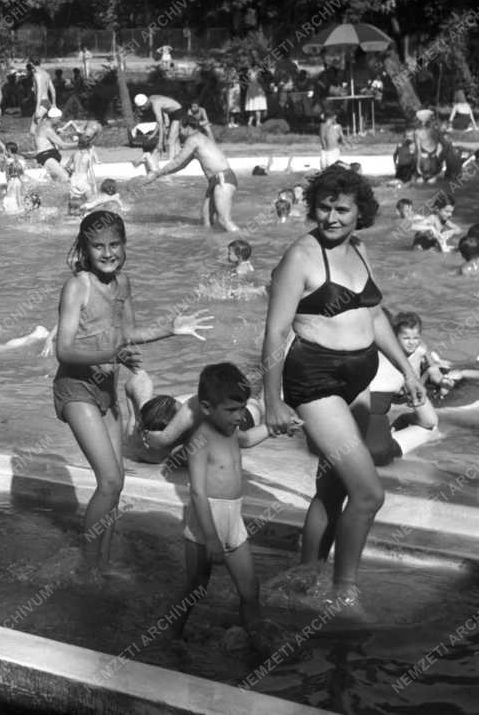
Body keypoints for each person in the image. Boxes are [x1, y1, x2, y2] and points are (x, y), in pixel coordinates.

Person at [262, 165, 427, 618]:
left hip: (355, 379)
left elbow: (374, 317)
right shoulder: (301, 256)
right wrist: (273, 399)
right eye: (324, 207)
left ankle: (304, 577)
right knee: (369, 493)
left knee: (334, 489)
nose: (332, 217)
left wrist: (407, 370)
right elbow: (275, 333)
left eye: (342, 209)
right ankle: (344, 592)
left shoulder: (359, 248)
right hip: (314, 381)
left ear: (360, 213)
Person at [52, 209, 211, 576]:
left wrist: (171, 328)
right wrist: (111, 354)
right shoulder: (78, 286)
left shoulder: (122, 284)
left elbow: (128, 334)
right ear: (84, 248)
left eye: (114, 244)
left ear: (124, 245)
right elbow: (64, 349)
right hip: (75, 388)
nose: (107, 253)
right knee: (108, 480)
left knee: (117, 483)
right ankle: (88, 570)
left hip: (106, 389)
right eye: (97, 246)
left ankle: (102, 565)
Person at [170, 363, 274, 643]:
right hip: (207, 524)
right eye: (231, 410)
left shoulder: (231, 432)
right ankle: (172, 635)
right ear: (206, 407)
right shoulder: (200, 441)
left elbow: (248, 439)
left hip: (234, 520)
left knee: (251, 589)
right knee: (196, 587)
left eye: (242, 409)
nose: (239, 417)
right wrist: (212, 538)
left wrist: (274, 428)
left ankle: (255, 639)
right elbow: (197, 493)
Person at [137, 118, 240, 233]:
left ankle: (244, 243)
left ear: (189, 128)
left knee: (224, 220)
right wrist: (158, 175)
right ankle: (214, 247)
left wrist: (156, 174)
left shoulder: (193, 139)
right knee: (206, 220)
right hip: (216, 181)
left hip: (222, 178)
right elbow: (181, 165)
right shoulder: (199, 139)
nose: (179, 132)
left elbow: (177, 162)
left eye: (180, 129)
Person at [65, 135, 98, 215]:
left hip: (73, 179)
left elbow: (67, 166)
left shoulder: (74, 154)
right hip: (83, 179)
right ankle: (87, 216)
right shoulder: (88, 156)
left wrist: (71, 173)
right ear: (89, 146)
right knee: (92, 202)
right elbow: (91, 172)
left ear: (79, 144)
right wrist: (94, 186)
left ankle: (70, 217)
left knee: (71, 204)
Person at [32, 113, 69, 183]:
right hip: (48, 158)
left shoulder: (41, 127)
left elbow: (34, 132)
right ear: (53, 118)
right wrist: (79, 144)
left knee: (56, 181)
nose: (59, 121)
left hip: (45, 157)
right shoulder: (47, 129)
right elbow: (63, 145)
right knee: (66, 178)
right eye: (58, 119)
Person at [28, 59, 57, 133]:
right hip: (48, 102)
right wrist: (54, 104)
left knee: (33, 130)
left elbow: (40, 91)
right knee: (45, 129)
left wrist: (37, 108)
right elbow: (53, 90)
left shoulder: (37, 74)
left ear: (31, 64)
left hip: (41, 103)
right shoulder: (46, 74)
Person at [2, 141, 28, 214]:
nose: (4, 151)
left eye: (5, 150)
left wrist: (4, 161)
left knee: (15, 193)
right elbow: (22, 172)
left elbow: (1, 169)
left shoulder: (8, 161)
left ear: (9, 150)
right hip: (18, 181)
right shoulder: (21, 160)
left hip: (12, 184)